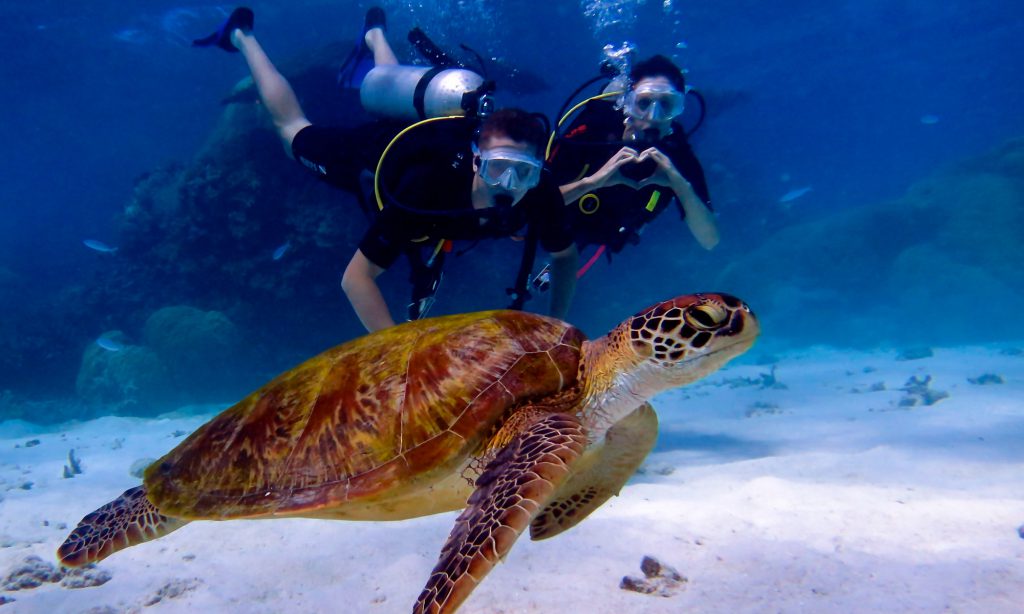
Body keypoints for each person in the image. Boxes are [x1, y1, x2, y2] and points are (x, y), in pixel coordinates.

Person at [194, 8, 578, 332]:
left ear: (538, 172)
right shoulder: (426, 189)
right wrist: (400, 354)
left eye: (523, 173)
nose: (510, 186)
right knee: (292, 130)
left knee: (391, 104)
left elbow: (565, 256)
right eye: (498, 169)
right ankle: (242, 35)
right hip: (373, 154)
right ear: (477, 160)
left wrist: (558, 327)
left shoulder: (539, 190)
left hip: (419, 134)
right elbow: (355, 280)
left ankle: (376, 35)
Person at [548, 54, 719, 265]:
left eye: (666, 104)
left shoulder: (677, 152)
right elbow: (532, 205)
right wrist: (593, 182)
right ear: (628, 103)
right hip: (560, 226)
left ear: (678, 110)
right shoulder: (595, 127)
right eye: (644, 103)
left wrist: (680, 186)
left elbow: (710, 239)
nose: (653, 116)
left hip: (613, 235)